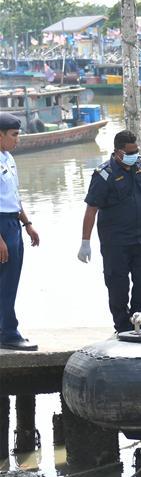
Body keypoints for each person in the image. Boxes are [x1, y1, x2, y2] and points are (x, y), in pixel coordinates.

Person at [79, 130, 141, 333]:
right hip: (116, 242)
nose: (134, 155)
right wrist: (85, 242)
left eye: (136, 151)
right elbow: (91, 209)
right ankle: (122, 327)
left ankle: (139, 322)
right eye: (130, 152)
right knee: (118, 286)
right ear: (118, 152)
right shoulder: (104, 175)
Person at [0, 113, 40, 351]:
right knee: (5, 281)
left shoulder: (9, 158)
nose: (17, 140)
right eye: (14, 135)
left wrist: (27, 223)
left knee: (9, 280)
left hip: (13, 222)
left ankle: (3, 328)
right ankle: (9, 333)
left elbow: (13, 196)